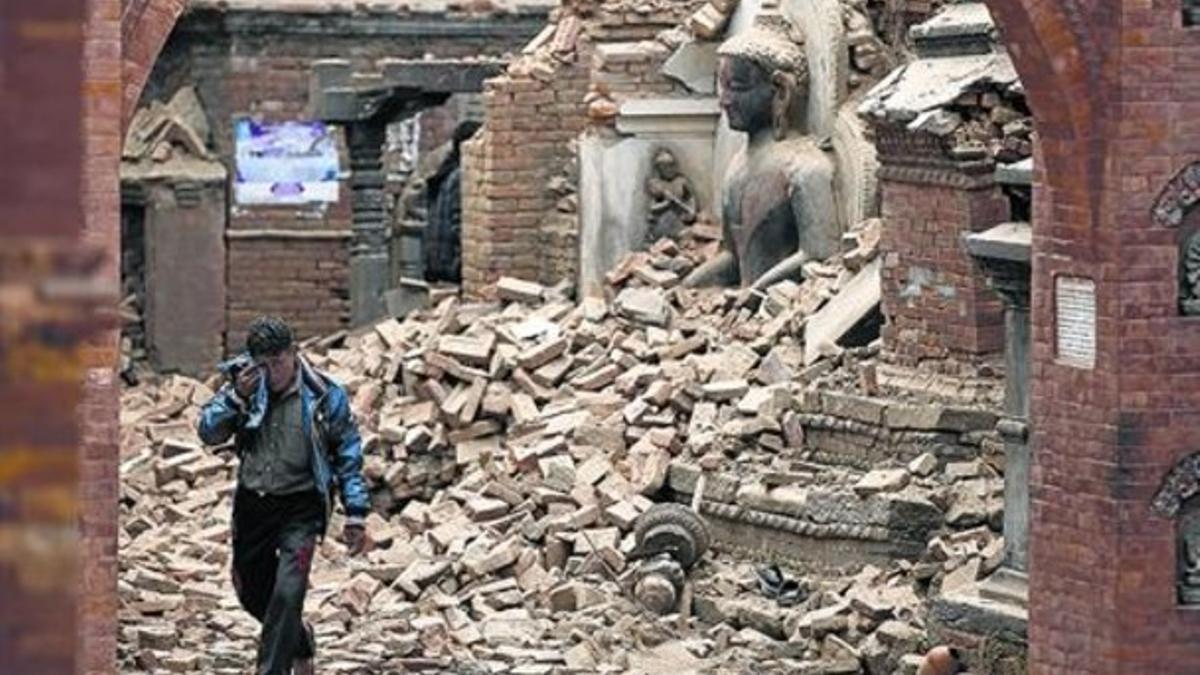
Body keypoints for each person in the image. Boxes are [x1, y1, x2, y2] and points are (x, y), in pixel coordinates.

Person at [197, 316, 370, 675]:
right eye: (263, 364)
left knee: (289, 591)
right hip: (254, 504)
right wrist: (236, 398)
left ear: (294, 354)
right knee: (250, 591)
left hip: (301, 505)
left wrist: (356, 512)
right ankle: (299, 639)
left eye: (278, 362)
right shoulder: (244, 387)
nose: (271, 372)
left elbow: (348, 454)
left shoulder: (323, 395)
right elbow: (208, 432)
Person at [424, 120, 482, 284]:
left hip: (438, 263)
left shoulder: (448, 172)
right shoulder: (460, 176)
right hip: (450, 266)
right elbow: (459, 225)